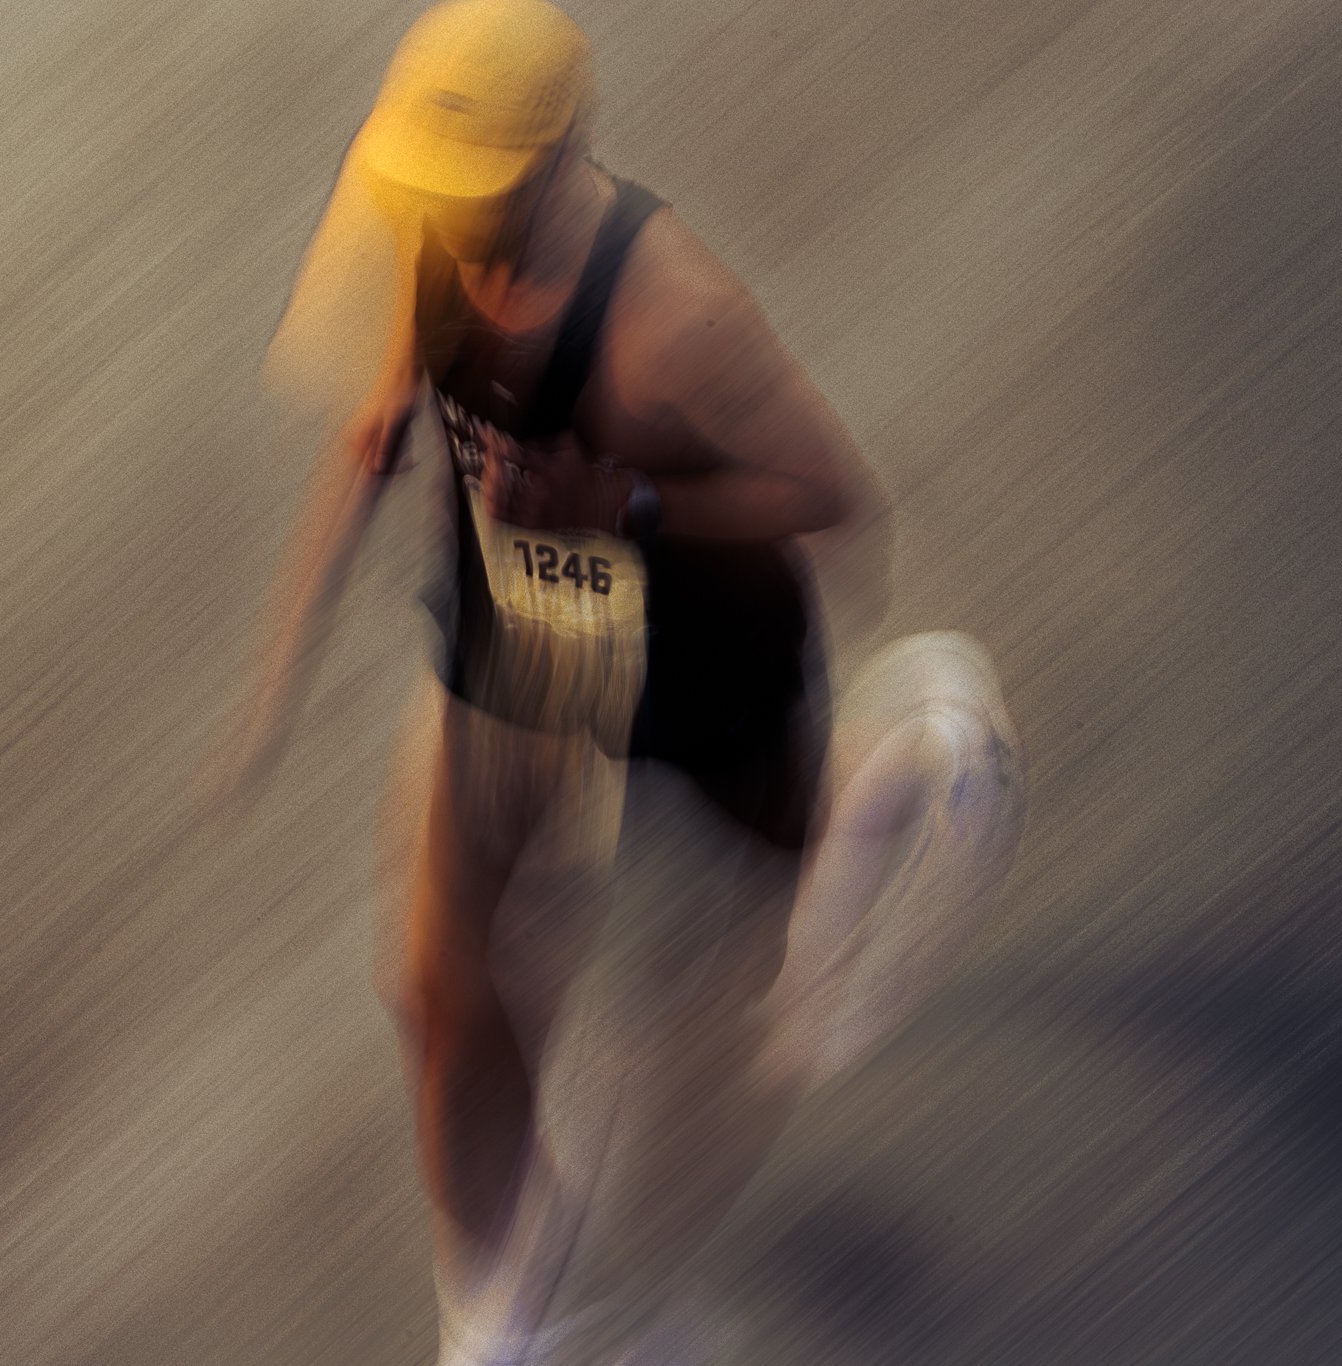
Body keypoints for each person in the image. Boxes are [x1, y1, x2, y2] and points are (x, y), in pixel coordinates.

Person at [197, 1, 1019, 1358]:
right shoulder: (432, 234)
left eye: (476, 194)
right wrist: (274, 677)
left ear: (554, 156)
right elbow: (373, 431)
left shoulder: (670, 311)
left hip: (693, 639)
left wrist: (631, 498)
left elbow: (832, 497)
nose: (445, 220)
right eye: (429, 191)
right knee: (433, 980)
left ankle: (926, 723)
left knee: (781, 875)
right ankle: (497, 1320)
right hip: (516, 627)